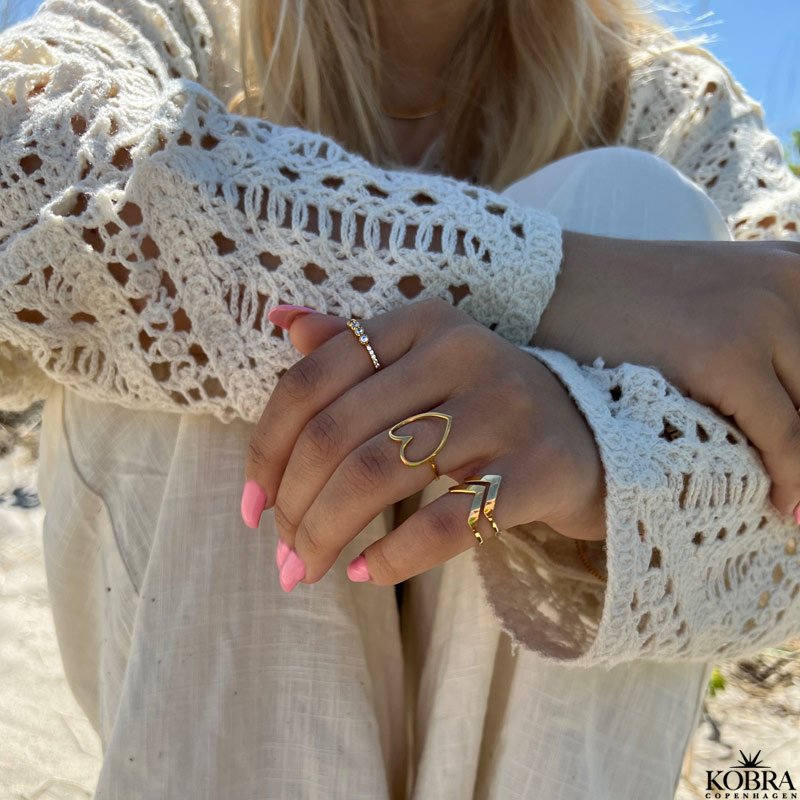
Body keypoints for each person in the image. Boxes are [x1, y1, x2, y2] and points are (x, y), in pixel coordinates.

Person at [1, 0, 799, 797]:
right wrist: (588, 287)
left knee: (642, 205)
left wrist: (604, 464)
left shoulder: (666, 105)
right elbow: (22, 156)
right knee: (212, 293)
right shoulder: (188, 24)